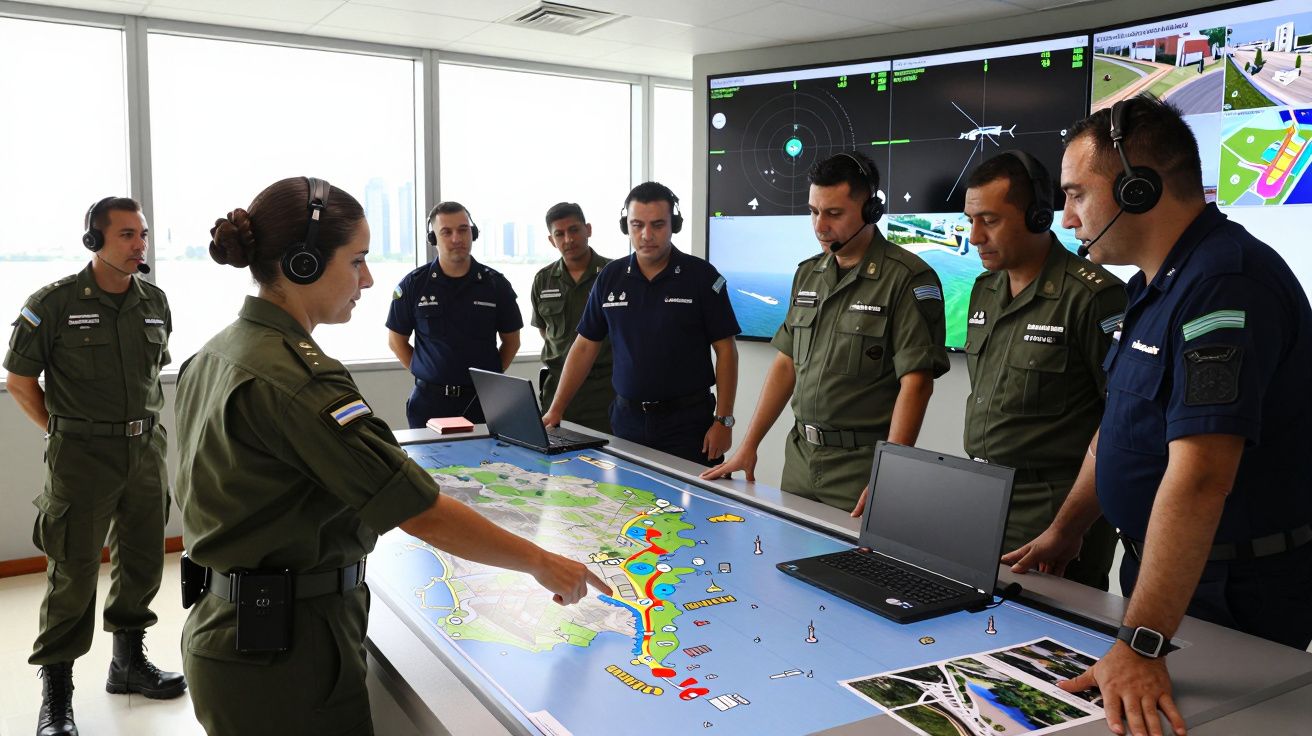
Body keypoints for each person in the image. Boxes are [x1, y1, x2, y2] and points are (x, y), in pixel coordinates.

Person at [175, 177, 606, 734]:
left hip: (233, 631)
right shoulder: (297, 379)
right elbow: (418, 510)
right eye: (356, 261)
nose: (368, 278)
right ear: (303, 264)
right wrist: (545, 563)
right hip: (286, 657)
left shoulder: (215, 353)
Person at [1004, 95, 1312, 736]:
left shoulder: (1227, 285)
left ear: (1137, 189)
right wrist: (1068, 528)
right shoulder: (1153, 283)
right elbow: (1121, 426)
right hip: (1159, 576)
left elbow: (1201, 476)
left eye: (1076, 195)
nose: (1065, 217)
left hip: (1232, 587)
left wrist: (1142, 644)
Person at [4, 196, 185, 736]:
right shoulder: (54, 304)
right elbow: (19, 380)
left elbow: (153, 376)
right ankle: (56, 694)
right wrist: (60, 431)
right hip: (80, 458)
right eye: (127, 235)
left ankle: (128, 664)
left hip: (145, 451)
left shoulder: (154, 301)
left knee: (143, 561)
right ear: (94, 240)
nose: (139, 246)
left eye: (143, 235)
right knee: (73, 573)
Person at [702, 152, 949, 513]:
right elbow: (786, 365)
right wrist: (748, 445)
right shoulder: (807, 275)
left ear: (870, 211)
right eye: (814, 212)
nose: (819, 226)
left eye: (834, 214)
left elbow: (917, 383)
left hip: (860, 467)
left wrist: (890, 473)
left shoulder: (908, 279)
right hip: (801, 460)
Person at [960, 150, 1125, 591]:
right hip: (980, 501)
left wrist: (1069, 526)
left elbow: (1122, 421)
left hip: (1052, 513)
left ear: (1036, 216)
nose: (974, 236)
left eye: (989, 220)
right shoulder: (984, 291)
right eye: (970, 220)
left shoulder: (1093, 298)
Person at [542, 182, 740, 467]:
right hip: (627, 422)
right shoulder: (610, 277)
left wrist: (724, 420)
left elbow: (726, 351)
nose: (646, 235)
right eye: (637, 225)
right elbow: (584, 346)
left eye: (658, 225)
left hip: (688, 423)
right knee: (629, 503)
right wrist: (556, 409)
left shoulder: (702, 277)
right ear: (627, 226)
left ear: (674, 224)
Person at [386, 201, 522, 428]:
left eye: (463, 230)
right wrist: (428, 372)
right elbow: (396, 341)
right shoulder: (414, 285)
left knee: (487, 464)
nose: (457, 238)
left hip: (483, 402)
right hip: (430, 403)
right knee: (425, 464)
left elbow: (512, 342)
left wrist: (487, 380)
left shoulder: (496, 285)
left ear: (473, 233)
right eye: (446, 232)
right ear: (433, 239)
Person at [531, 202, 613, 432]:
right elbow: (545, 331)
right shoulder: (543, 280)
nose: (568, 239)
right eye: (560, 234)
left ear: (588, 229)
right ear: (551, 240)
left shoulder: (613, 274)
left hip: (604, 395)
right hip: (556, 393)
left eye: (574, 230)